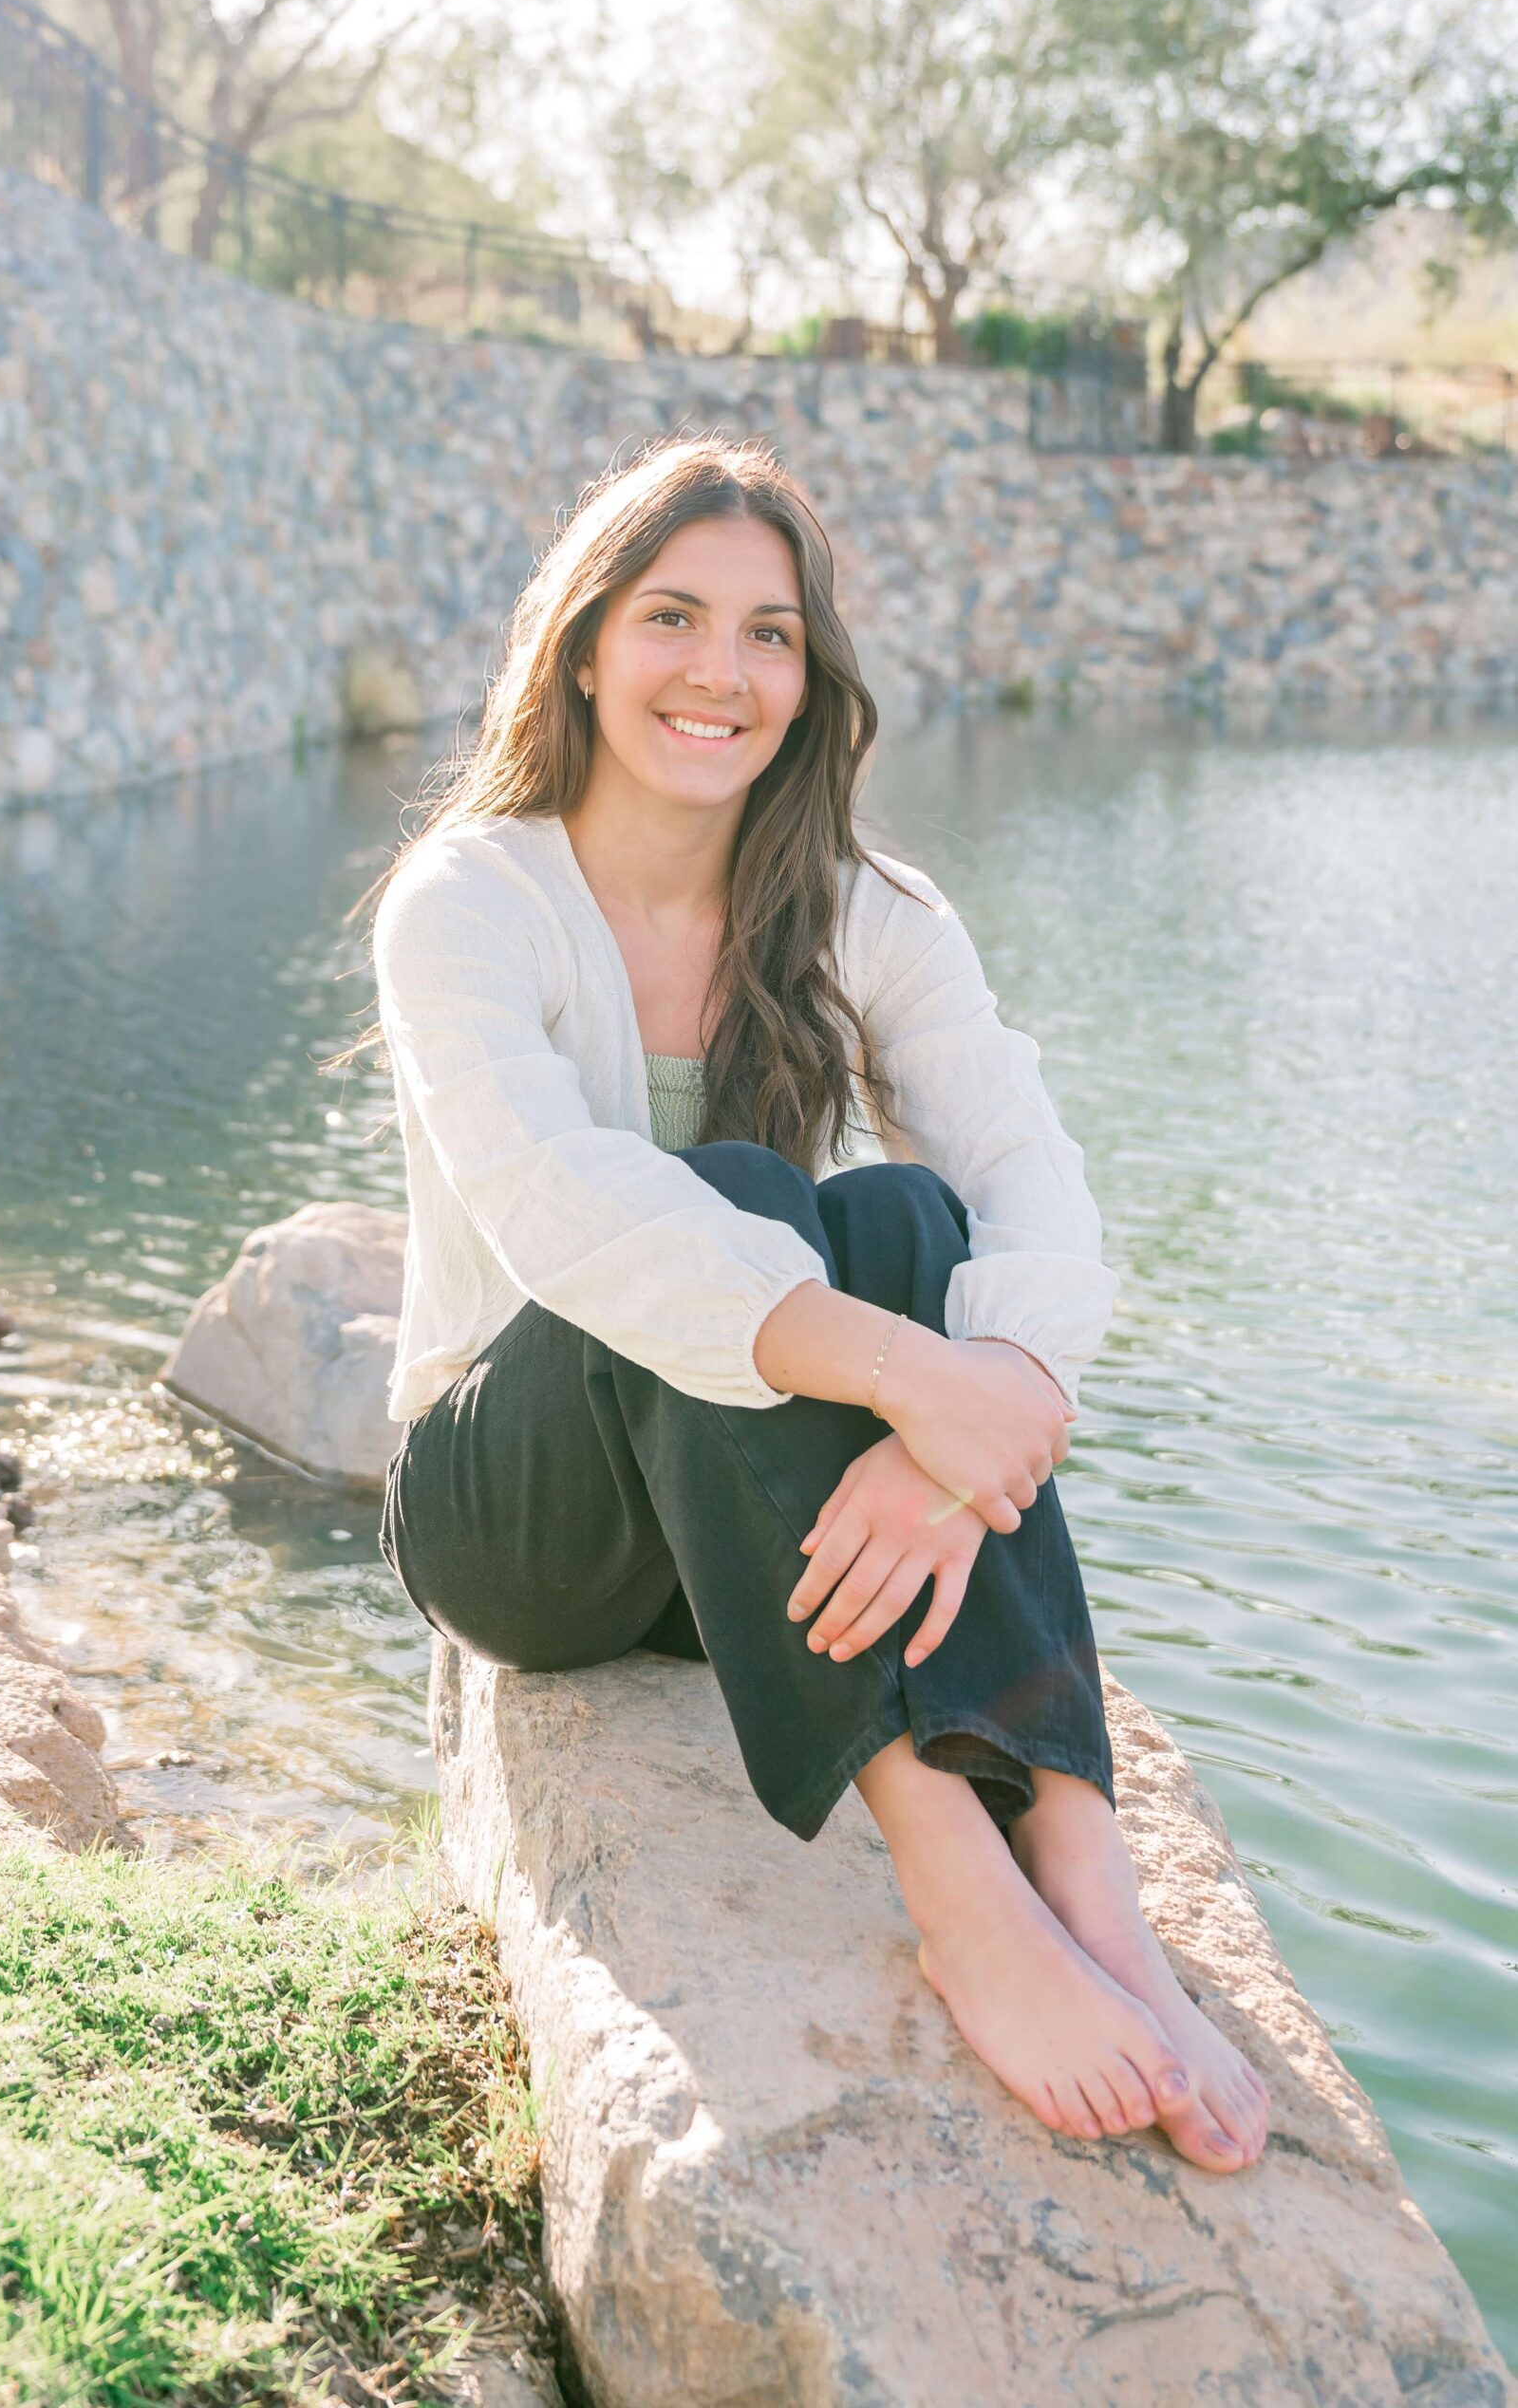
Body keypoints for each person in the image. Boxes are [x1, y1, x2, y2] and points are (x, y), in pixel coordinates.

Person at [357, 432, 1268, 2173]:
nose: (723, 671)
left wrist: (948, 1431)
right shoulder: (469, 900)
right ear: (584, 643)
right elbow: (574, 1215)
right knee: (744, 1204)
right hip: (521, 1528)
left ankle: (1078, 1846)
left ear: (811, 674)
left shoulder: (867, 910)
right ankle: (954, 1877)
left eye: (770, 634)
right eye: (675, 617)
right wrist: (908, 1379)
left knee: (912, 1212)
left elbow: (1040, 1195)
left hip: (753, 1532)